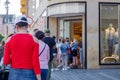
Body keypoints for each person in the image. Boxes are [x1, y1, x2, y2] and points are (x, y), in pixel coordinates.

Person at [3, 15, 41, 80]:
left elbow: (6, 61)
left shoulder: (9, 40)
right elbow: (35, 62)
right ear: (27, 26)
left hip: (14, 73)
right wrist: (39, 78)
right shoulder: (35, 40)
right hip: (29, 73)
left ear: (16, 26)